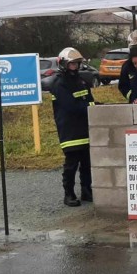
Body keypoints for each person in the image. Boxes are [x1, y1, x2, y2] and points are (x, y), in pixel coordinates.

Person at [50, 47, 95, 207]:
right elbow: (71, 106)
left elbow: (90, 100)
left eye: (76, 64)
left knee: (87, 163)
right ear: (63, 64)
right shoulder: (59, 84)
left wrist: (93, 106)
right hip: (69, 129)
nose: (75, 67)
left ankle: (86, 191)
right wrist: (90, 107)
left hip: (84, 127)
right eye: (72, 64)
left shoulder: (81, 81)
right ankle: (68, 194)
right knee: (71, 164)